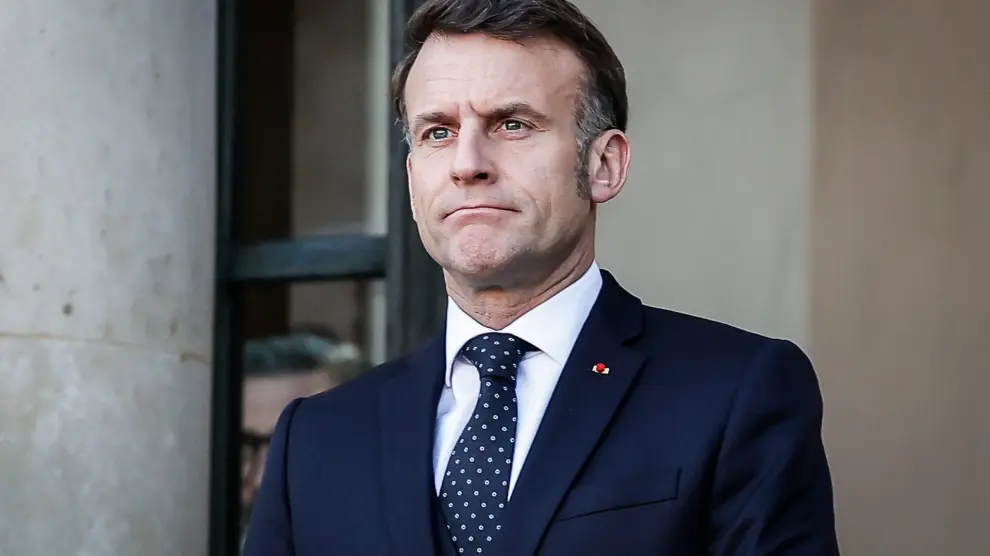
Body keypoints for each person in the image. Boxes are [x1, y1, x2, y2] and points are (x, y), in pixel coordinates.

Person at [243, 0, 840, 554]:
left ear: (603, 165)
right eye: (438, 132)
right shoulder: (315, 440)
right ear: (411, 181)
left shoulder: (736, 393)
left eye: (512, 124)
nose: (467, 164)